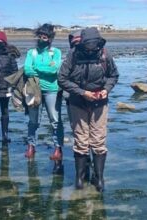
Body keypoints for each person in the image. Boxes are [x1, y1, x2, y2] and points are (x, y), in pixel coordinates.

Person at [59, 27, 119, 192]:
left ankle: (99, 179)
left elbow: (114, 75)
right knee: (81, 140)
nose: (92, 49)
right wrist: (82, 92)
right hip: (78, 101)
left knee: (99, 141)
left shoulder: (105, 54)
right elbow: (61, 79)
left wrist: (106, 89)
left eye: (94, 46)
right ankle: (79, 179)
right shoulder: (73, 54)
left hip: (100, 102)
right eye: (88, 46)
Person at [23, 24, 64, 166]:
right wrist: (40, 69)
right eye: (40, 36)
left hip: (52, 90)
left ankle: (58, 148)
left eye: (45, 36)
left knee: (55, 119)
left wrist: (37, 68)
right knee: (33, 120)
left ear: (50, 38)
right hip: (34, 89)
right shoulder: (31, 52)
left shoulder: (56, 52)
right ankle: (31, 146)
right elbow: (27, 69)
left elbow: (54, 70)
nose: (42, 39)